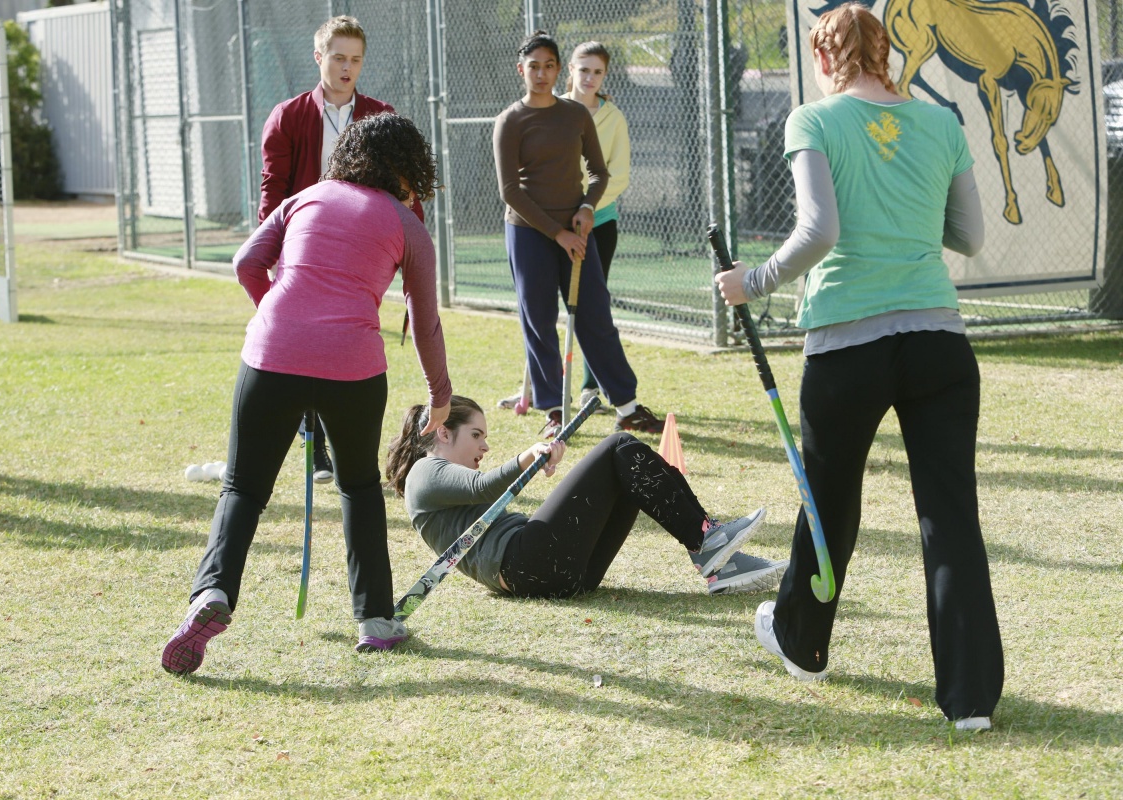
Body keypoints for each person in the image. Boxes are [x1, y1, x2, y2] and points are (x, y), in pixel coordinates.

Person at [714, 3, 1002, 730]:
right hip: (939, 341)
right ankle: (970, 700)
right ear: (887, 53)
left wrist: (754, 281)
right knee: (950, 518)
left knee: (829, 503)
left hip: (848, 342)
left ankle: (802, 642)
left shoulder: (814, 119)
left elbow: (820, 231)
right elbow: (968, 235)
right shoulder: (941, 123)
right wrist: (906, 211)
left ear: (823, 57)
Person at [162, 113, 452, 673]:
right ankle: (373, 619)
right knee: (360, 487)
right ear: (408, 170)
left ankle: (210, 595)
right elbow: (425, 320)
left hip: (272, 352)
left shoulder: (307, 197)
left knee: (242, 486)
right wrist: (439, 395)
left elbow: (247, 262)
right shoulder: (408, 225)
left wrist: (278, 314)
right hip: (355, 365)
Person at [385, 397, 789, 599]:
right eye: (477, 435)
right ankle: (707, 543)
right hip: (528, 563)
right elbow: (483, 487)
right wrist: (526, 456)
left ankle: (717, 558)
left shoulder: (438, 478)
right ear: (442, 432)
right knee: (618, 444)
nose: (485, 446)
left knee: (625, 472)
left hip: (558, 572)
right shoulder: (425, 472)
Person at [258, 15, 422, 484]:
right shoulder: (288, 116)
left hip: (361, 251)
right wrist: (273, 255)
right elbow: (274, 192)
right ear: (319, 58)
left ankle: (337, 442)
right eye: (338, 58)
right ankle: (315, 449)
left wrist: (412, 251)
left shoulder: (380, 115)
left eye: (355, 60)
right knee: (302, 342)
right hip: (305, 250)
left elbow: (407, 188)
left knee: (344, 340)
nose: (347, 68)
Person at [492, 31, 664, 439]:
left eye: (549, 65)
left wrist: (587, 208)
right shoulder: (510, 120)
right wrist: (556, 233)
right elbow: (510, 191)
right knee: (538, 319)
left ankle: (627, 406)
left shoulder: (575, 115)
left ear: (557, 70)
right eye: (534, 66)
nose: (542, 73)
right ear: (522, 70)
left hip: (574, 229)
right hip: (529, 231)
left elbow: (600, 173)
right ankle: (553, 410)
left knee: (594, 313)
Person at [563, 41, 630, 413]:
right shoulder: (552, 110)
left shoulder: (614, 118)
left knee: (592, 304)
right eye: (583, 69)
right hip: (555, 223)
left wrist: (587, 207)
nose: (589, 78)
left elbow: (618, 175)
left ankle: (591, 388)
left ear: (605, 76)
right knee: (543, 306)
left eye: (597, 72)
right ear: (569, 70)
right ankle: (543, 394)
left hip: (599, 222)